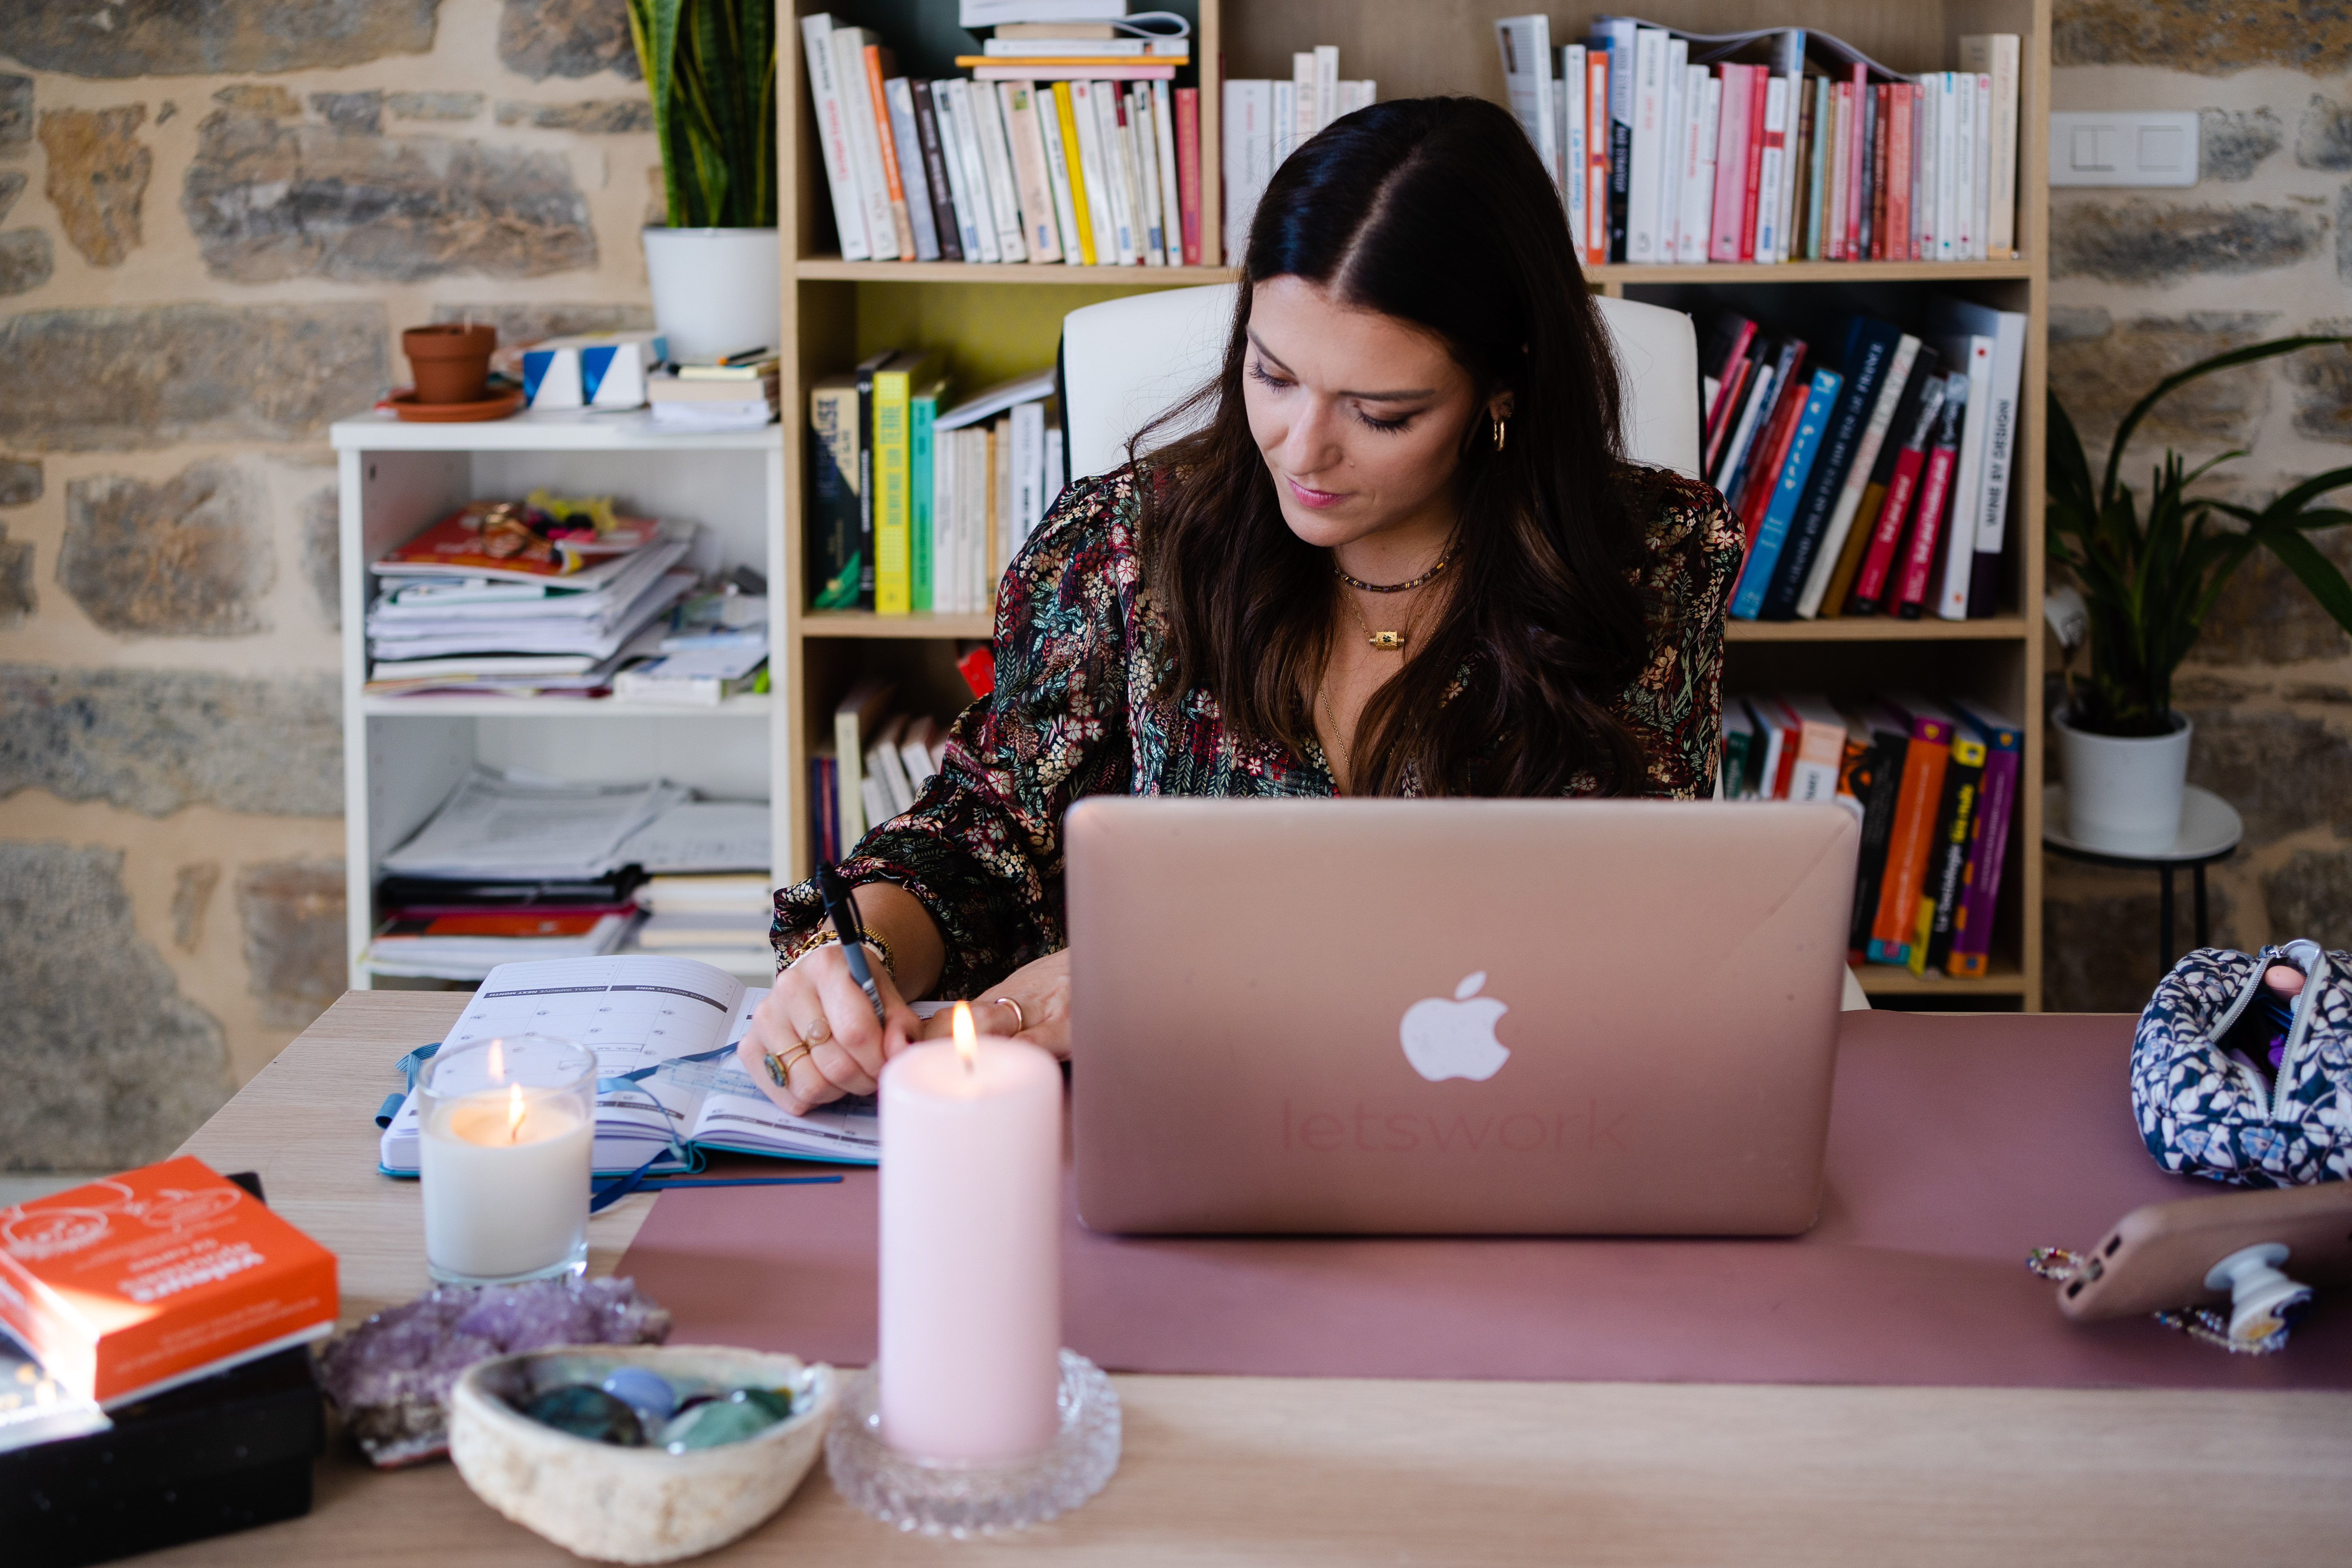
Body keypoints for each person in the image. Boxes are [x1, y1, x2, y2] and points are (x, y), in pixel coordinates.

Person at [741, 95, 1742, 1115]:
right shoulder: (1128, 542)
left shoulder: (1648, 558)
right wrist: (860, 955)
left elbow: (1634, 914)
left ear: (1503, 385)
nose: (1300, 450)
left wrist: (1183, 969)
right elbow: (988, 829)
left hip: (1510, 1117)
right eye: (1273, 375)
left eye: (1380, 413)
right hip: (1180, 1122)